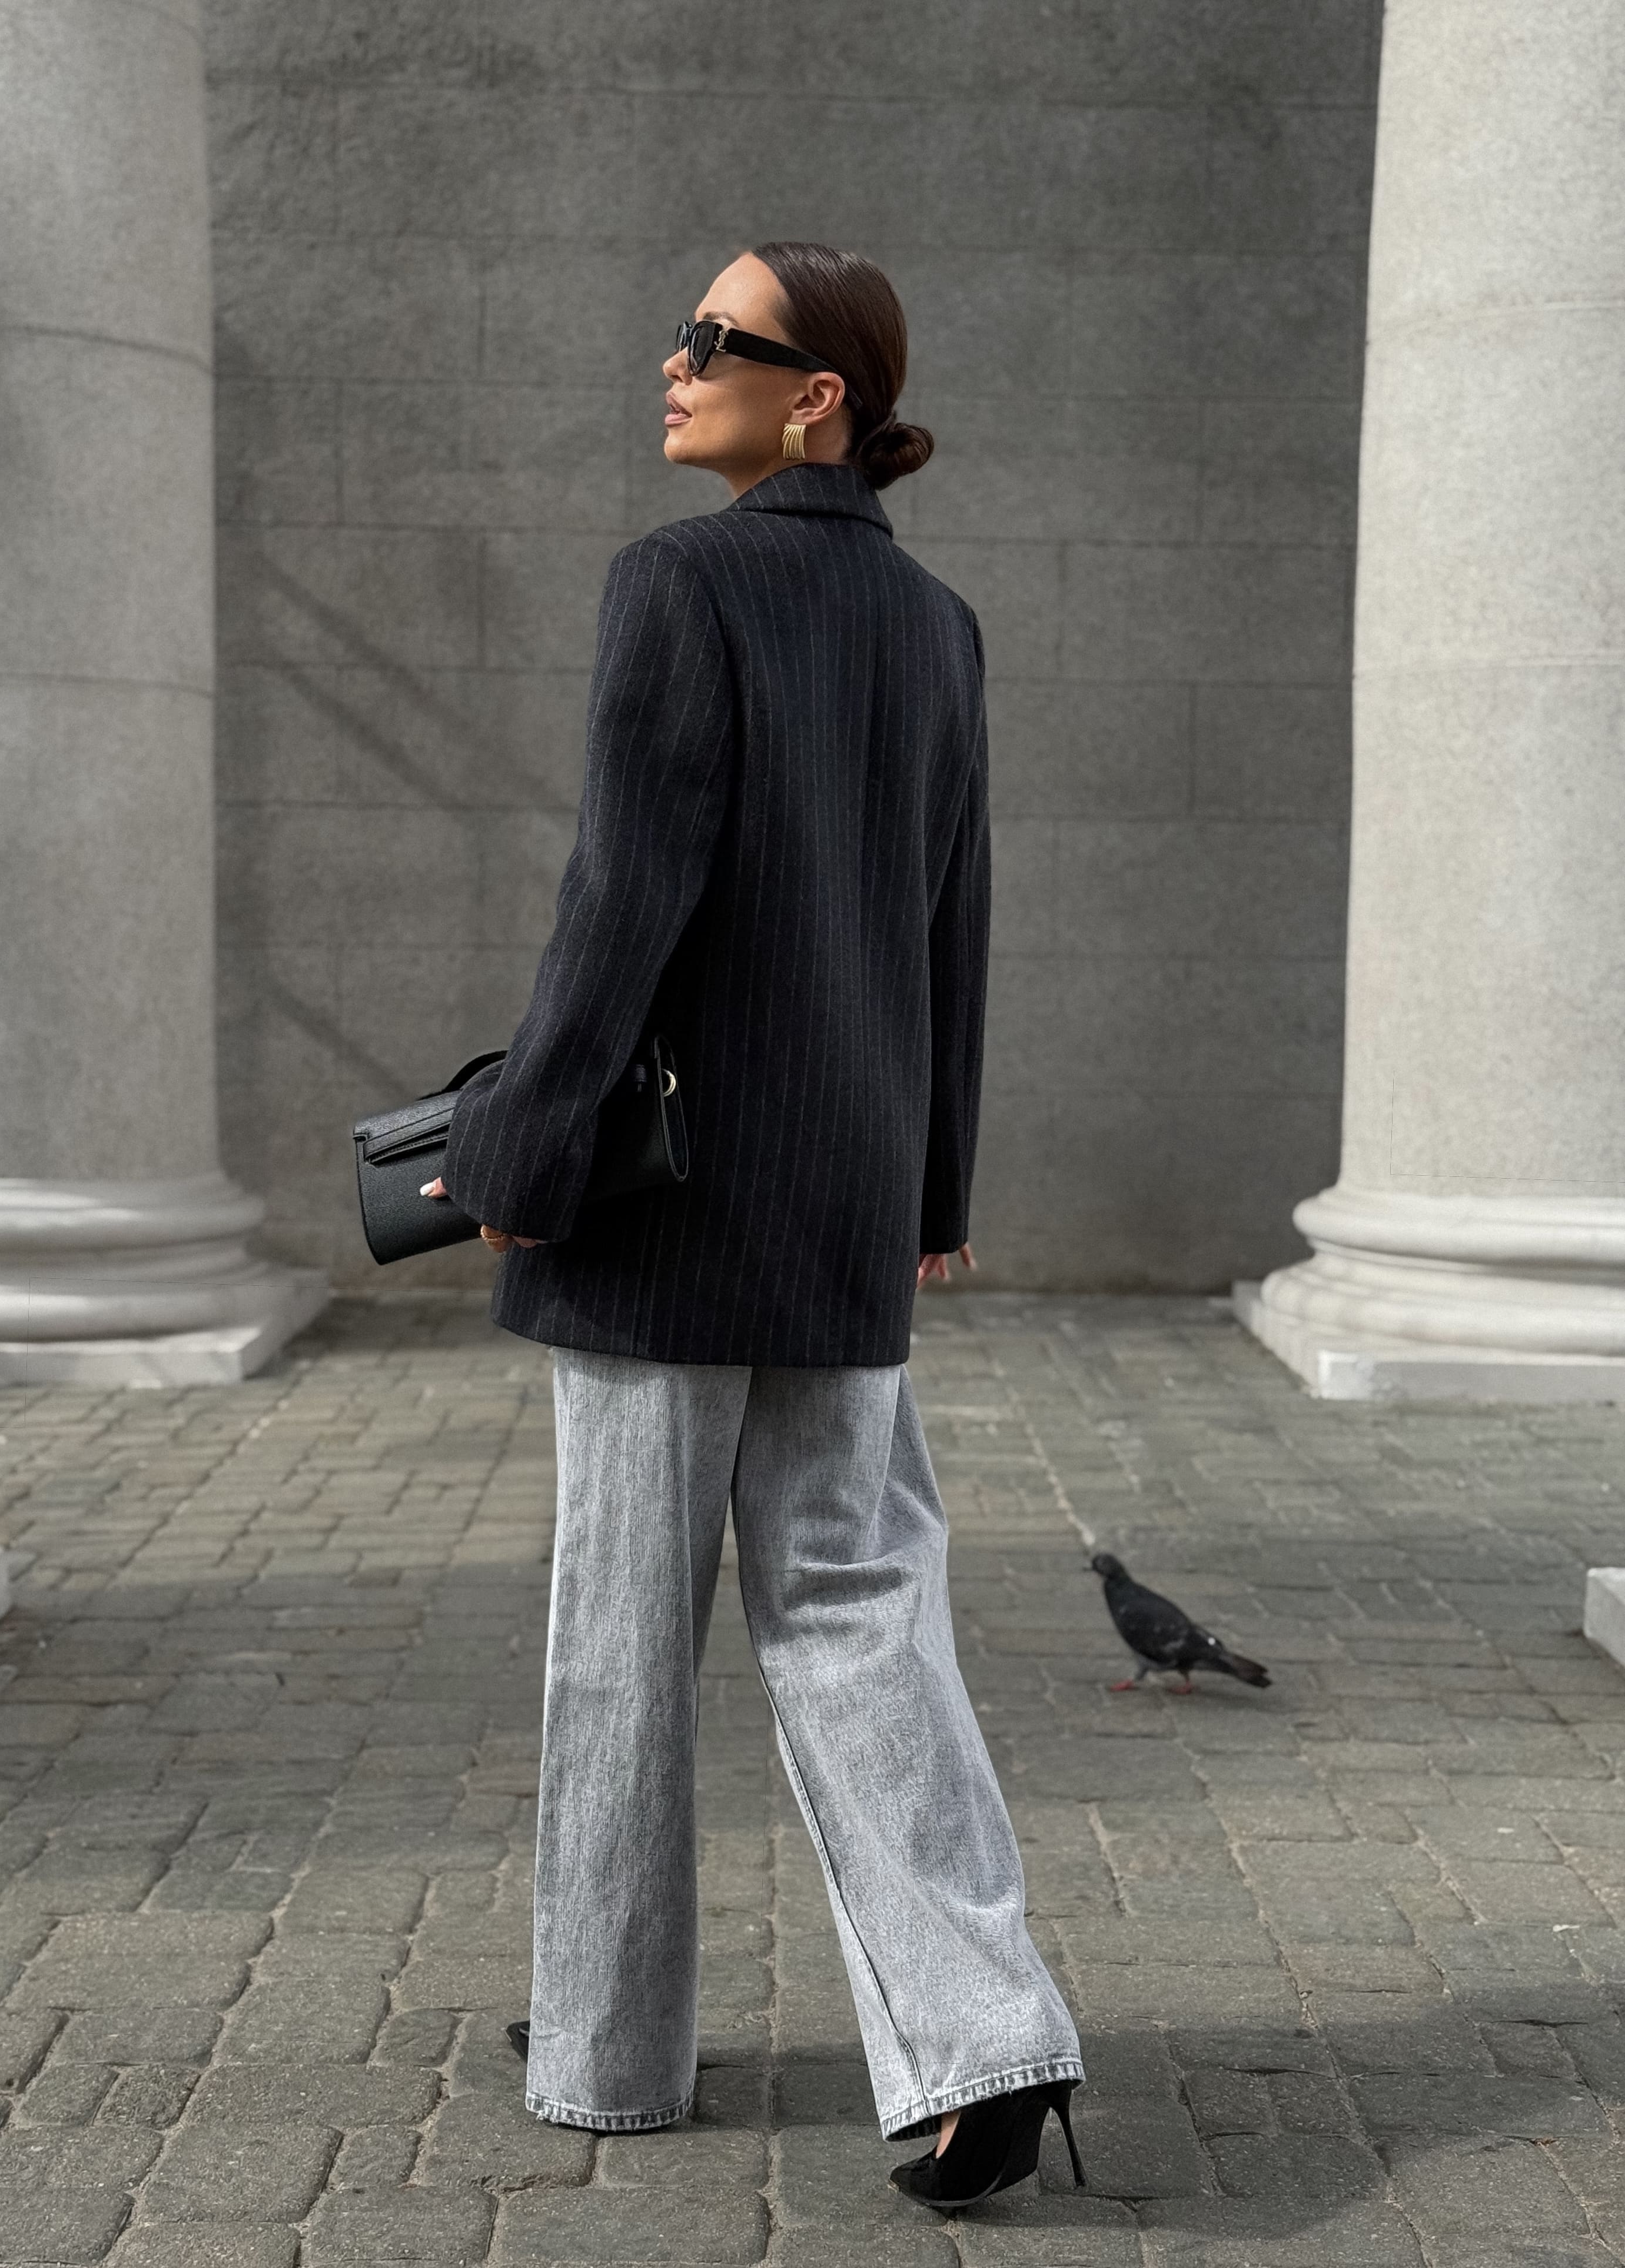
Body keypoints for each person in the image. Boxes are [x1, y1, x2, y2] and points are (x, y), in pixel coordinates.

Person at [429, 241, 1085, 2213]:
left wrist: (521, 1154)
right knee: (864, 1615)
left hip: (663, 1210)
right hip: (840, 1199)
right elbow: (953, 919)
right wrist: (934, 1186)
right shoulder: (938, 623)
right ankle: (981, 2049)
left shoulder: (679, 582)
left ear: (815, 400)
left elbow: (620, 902)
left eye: (711, 340)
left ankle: (610, 2054)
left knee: (623, 1644)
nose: (672, 358)